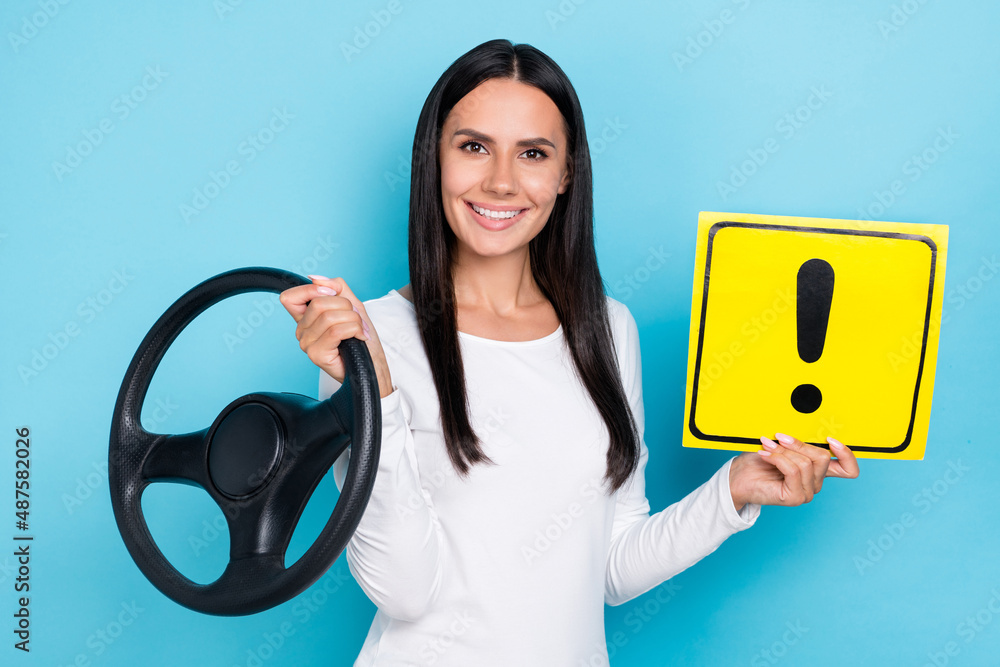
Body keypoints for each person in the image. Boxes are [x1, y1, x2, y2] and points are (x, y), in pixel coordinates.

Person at [279, 38, 859, 666]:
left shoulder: (608, 330)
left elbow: (610, 566)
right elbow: (404, 590)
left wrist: (732, 493)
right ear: (433, 162)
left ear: (565, 176)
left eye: (533, 153)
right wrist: (378, 394)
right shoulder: (367, 338)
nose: (501, 181)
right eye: (473, 147)